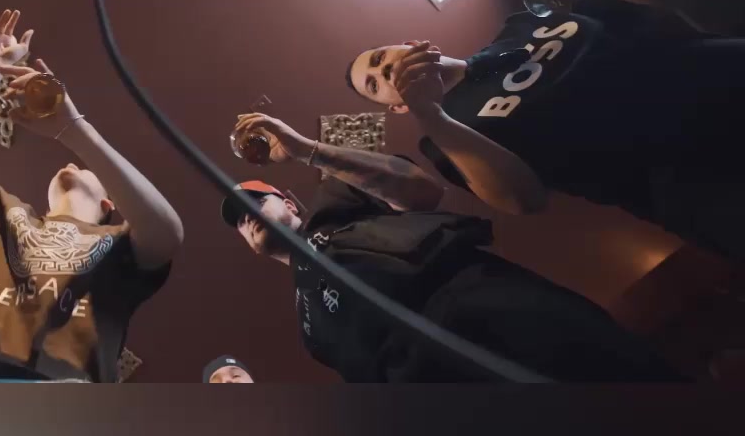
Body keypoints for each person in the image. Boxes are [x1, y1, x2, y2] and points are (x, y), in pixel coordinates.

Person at [346, 0, 745, 264]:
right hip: (708, 181)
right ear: (397, 107)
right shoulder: (444, 137)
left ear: (412, 44)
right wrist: (431, 113)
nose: (385, 70)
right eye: (375, 83)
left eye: (381, 58)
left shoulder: (526, 20)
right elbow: (524, 200)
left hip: (733, 74)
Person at [221, 112, 685, 382]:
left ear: (288, 201)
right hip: (432, 380)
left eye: (254, 202)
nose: (247, 217)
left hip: (478, 301)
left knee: (618, 376)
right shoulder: (308, 328)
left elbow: (422, 190)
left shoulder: (334, 199)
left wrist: (307, 150)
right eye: (238, 221)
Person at [0, 9, 183, 382]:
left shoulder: (121, 242)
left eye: (84, 169)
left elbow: (167, 231)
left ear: (109, 204)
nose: (70, 164)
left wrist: (74, 131)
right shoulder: (3, 213)